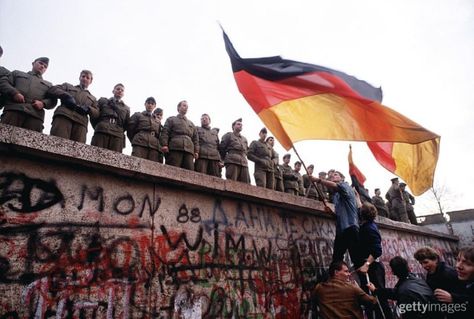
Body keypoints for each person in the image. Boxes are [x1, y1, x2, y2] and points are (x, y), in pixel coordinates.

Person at [311, 171, 362, 268]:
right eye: (330, 177)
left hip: (351, 228)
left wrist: (318, 180)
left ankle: (364, 282)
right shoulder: (336, 196)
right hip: (341, 230)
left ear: (342, 178)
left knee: (356, 259)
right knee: (336, 259)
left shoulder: (345, 186)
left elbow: (336, 186)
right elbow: (339, 216)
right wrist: (331, 212)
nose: (332, 177)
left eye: (335, 175)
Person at [367, 256, 438, 319]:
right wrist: (376, 290)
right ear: (408, 267)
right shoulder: (417, 280)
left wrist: (375, 290)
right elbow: (394, 292)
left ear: (393, 272)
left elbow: (396, 293)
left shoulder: (403, 290)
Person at [0, 57, 57, 132]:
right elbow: (3, 82)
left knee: (31, 142)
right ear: (33, 63)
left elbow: (53, 100)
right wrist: (14, 93)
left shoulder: (49, 85)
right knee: (4, 137)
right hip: (13, 110)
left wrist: (43, 103)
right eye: (40, 63)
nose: (42, 66)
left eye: (45, 66)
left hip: (35, 116)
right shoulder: (17, 73)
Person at [357, 202, 393, 319]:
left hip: (373, 268)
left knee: (378, 297)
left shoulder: (369, 229)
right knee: (371, 297)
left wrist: (366, 264)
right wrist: (358, 198)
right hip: (371, 267)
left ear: (362, 215)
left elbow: (377, 250)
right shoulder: (370, 225)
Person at [47, 70, 99, 143]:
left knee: (77, 149)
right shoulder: (68, 86)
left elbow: (97, 113)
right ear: (79, 78)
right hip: (64, 117)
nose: (85, 79)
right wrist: (66, 96)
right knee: (57, 143)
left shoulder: (93, 98)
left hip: (80, 123)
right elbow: (53, 89)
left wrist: (88, 109)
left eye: (88, 78)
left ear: (90, 81)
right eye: (83, 76)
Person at [434, 246, 474, 319]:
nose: (458, 266)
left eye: (468, 264)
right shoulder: (459, 281)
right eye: (458, 260)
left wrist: (454, 299)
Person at [160, 100, 199, 170]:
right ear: (178, 108)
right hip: (175, 148)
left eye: (187, 106)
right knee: (172, 170)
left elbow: (195, 139)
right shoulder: (171, 119)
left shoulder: (191, 124)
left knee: (189, 172)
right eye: (184, 106)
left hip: (189, 151)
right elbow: (165, 132)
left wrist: (196, 151)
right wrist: (164, 144)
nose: (186, 108)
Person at [90, 83, 130, 152]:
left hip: (117, 135)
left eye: (122, 90)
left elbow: (126, 124)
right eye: (118, 89)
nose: (120, 91)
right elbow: (94, 116)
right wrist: (99, 125)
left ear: (123, 94)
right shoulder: (103, 101)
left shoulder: (126, 108)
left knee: (114, 159)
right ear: (113, 91)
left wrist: (118, 129)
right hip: (102, 131)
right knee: (96, 154)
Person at [127, 97, 162, 162]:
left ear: (154, 106)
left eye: (152, 104)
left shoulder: (157, 121)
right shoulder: (138, 115)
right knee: (136, 164)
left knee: (152, 167)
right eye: (148, 103)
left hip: (154, 146)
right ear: (145, 104)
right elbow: (130, 129)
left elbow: (158, 135)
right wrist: (136, 139)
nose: (150, 105)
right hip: (140, 143)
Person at [219, 118, 250, 183]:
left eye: (241, 125)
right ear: (233, 126)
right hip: (232, 161)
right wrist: (222, 160)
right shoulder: (228, 135)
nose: (240, 126)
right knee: (231, 182)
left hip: (244, 163)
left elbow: (247, 151)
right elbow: (222, 148)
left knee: (246, 184)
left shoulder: (244, 139)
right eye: (238, 124)